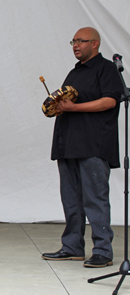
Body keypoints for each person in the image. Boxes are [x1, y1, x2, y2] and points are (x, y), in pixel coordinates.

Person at [41, 27, 124, 267]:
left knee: (95, 199)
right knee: (71, 200)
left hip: (93, 145)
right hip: (68, 145)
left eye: (81, 41)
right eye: (73, 41)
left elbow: (110, 100)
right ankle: (72, 247)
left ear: (95, 43)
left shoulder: (107, 68)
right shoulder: (74, 72)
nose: (76, 45)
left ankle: (102, 251)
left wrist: (73, 108)